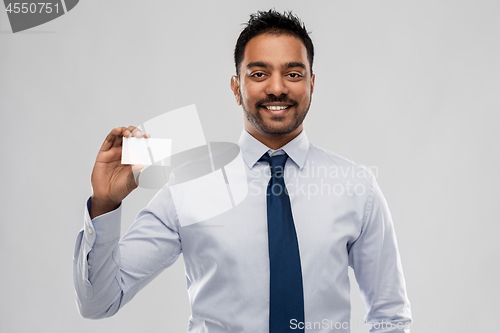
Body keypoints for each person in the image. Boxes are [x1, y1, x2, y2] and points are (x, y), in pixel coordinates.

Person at [74, 9, 412, 332]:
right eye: (259, 74)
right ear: (237, 88)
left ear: (312, 83)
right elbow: (99, 302)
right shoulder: (189, 184)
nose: (277, 88)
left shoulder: (355, 187)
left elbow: (390, 316)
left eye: (293, 74)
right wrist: (104, 205)